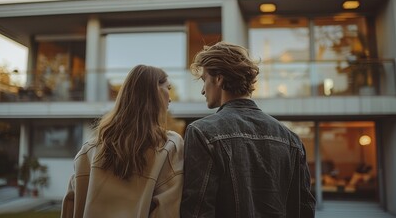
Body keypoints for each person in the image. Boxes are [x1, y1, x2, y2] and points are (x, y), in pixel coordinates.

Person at [180, 42, 316, 218]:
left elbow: (197, 211)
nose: (202, 90)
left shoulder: (201, 132)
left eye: (204, 79)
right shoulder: (291, 139)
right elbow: (304, 209)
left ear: (219, 78)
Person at [61, 65, 184, 218]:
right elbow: (166, 211)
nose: (170, 97)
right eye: (168, 88)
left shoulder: (89, 151)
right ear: (155, 91)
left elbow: (71, 207)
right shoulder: (170, 146)